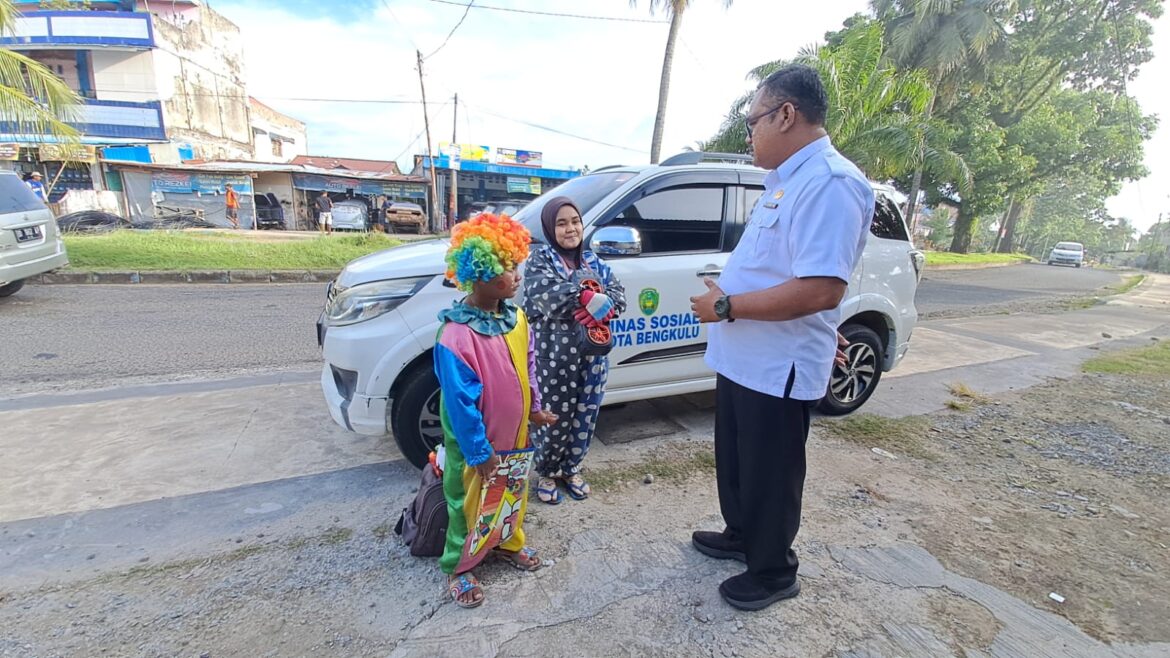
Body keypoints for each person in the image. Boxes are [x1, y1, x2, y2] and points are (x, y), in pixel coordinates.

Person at [688, 64, 874, 611]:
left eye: (754, 121)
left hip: (778, 364)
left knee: (771, 472)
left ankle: (773, 571)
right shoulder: (789, 181)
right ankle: (742, 535)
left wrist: (726, 304)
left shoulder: (831, 182)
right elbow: (789, 270)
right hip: (747, 355)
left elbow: (820, 288)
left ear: (786, 114)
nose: (749, 133)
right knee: (739, 461)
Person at [434, 213, 557, 608]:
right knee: (468, 503)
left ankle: (506, 543)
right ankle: (460, 565)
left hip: (516, 436)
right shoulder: (456, 335)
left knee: (512, 495)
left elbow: (529, 363)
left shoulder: (516, 318)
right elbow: (458, 402)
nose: (516, 275)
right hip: (478, 446)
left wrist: (535, 408)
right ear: (478, 273)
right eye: (505, 267)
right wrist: (477, 450)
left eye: (515, 263)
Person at [522, 196, 626, 504]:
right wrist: (584, 298)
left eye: (575, 221)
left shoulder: (595, 262)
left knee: (586, 414)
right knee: (553, 417)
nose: (570, 229)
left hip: (593, 358)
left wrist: (605, 307)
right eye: (561, 223)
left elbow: (618, 295)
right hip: (554, 358)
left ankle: (572, 469)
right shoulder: (540, 261)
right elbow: (545, 293)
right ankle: (547, 471)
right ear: (549, 228)